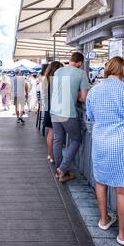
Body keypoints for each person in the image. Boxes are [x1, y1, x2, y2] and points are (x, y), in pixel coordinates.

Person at [86, 57, 124, 246]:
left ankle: (104, 220)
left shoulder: (94, 91)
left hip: (100, 142)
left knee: (101, 182)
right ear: (123, 70)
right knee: (122, 191)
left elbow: (90, 116)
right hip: (122, 144)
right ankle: (122, 234)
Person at [51, 52, 90, 182]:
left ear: (70, 60)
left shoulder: (58, 71)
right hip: (68, 112)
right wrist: (77, 96)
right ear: (80, 62)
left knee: (57, 139)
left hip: (54, 110)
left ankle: (59, 170)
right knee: (76, 139)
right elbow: (84, 98)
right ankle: (62, 169)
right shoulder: (81, 73)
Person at [41, 61, 64, 164]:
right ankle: (53, 156)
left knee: (51, 133)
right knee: (54, 135)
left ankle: (50, 155)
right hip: (55, 109)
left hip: (48, 108)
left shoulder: (46, 79)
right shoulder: (57, 80)